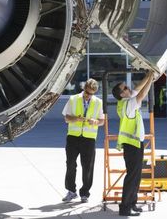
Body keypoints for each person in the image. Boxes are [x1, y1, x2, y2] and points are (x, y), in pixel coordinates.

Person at [112, 71, 154, 217]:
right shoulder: (128, 104)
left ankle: (132, 203)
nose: (129, 88)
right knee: (132, 176)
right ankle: (124, 208)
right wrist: (151, 80)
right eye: (125, 88)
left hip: (136, 143)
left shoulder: (126, 100)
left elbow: (138, 89)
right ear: (122, 94)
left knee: (136, 176)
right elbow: (142, 94)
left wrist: (149, 76)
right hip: (132, 145)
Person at [62, 78, 104, 203]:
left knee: (88, 167)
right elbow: (66, 118)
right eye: (87, 92)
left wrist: (95, 121)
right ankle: (71, 191)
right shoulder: (73, 99)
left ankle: (85, 193)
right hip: (73, 137)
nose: (88, 96)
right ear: (84, 88)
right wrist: (76, 119)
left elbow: (102, 120)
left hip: (89, 139)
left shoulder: (98, 102)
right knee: (70, 164)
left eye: (91, 94)